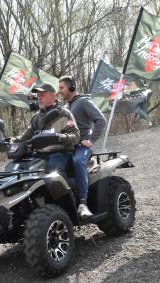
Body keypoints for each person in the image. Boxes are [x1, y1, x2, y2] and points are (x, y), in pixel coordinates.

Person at [58, 76, 106, 219]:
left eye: (61, 88)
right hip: (67, 146)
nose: (59, 91)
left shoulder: (83, 102)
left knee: (78, 161)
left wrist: (90, 140)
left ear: (71, 87)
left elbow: (100, 120)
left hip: (81, 147)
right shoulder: (66, 107)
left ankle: (83, 204)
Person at [16, 82, 80, 176]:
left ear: (52, 96)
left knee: (53, 171)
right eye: (38, 96)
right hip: (40, 155)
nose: (39, 98)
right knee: (21, 169)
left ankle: (66, 191)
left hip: (60, 153)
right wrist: (12, 140)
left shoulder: (63, 114)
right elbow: (25, 136)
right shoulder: (36, 117)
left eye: (42, 95)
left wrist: (60, 137)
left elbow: (76, 136)